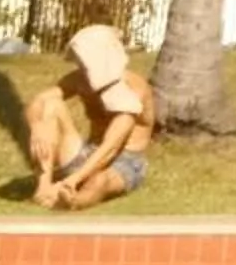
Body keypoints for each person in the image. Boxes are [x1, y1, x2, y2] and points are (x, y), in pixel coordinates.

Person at [27, 26, 155, 211]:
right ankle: (43, 188)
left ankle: (72, 202)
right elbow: (40, 100)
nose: (80, 66)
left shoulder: (134, 90)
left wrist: (72, 180)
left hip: (123, 160)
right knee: (51, 105)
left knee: (99, 181)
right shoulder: (80, 79)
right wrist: (36, 126)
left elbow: (111, 148)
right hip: (88, 151)